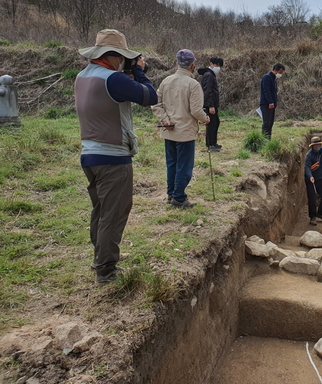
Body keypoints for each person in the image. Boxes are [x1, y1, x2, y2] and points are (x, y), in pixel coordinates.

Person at [75, 29, 158, 285]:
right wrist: (140, 71)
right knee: (114, 213)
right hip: (113, 157)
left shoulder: (82, 76)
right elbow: (149, 96)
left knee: (100, 211)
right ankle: (106, 271)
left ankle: (99, 258)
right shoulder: (113, 79)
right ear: (116, 56)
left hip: (89, 154)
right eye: (124, 57)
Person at [152, 49, 210, 208]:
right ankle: (178, 197)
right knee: (184, 167)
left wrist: (165, 120)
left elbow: (155, 104)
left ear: (177, 63)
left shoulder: (166, 81)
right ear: (193, 66)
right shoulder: (193, 84)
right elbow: (197, 111)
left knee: (172, 164)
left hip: (169, 131)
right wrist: (206, 119)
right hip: (185, 134)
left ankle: (171, 195)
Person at [304, 136, 322, 225]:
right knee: (312, 199)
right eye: (315, 145)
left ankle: (320, 213)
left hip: (320, 178)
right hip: (311, 180)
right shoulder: (309, 155)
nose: (317, 146)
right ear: (312, 146)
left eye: (319, 145)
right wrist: (310, 176)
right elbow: (307, 168)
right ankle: (312, 216)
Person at [198, 56, 223, 152]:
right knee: (211, 124)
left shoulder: (211, 75)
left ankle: (213, 143)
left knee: (215, 123)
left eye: (219, 65)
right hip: (210, 105)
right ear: (211, 64)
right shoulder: (208, 75)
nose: (218, 67)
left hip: (213, 104)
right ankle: (210, 145)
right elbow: (207, 91)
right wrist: (210, 105)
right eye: (216, 65)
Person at [260, 63, 285, 139]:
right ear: (275, 70)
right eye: (280, 72)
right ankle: (264, 139)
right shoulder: (267, 77)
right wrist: (270, 102)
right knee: (266, 123)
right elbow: (266, 91)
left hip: (272, 105)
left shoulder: (274, 79)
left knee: (270, 123)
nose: (280, 74)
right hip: (266, 104)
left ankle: (268, 139)